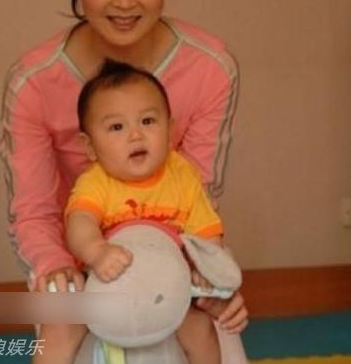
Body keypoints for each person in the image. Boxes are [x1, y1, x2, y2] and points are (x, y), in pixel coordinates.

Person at [0, 0, 248, 364]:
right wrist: (59, 268)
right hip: (76, 259)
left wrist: (210, 278)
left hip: (172, 252)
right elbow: (32, 212)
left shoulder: (211, 68)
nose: (124, 0)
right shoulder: (32, 82)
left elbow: (197, 194)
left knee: (217, 342)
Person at [64, 58, 238, 364]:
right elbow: (79, 222)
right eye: (117, 127)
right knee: (60, 326)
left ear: (170, 130)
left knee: (201, 329)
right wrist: (97, 251)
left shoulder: (182, 176)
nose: (136, 135)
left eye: (147, 121)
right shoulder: (96, 181)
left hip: (167, 287)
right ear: (89, 146)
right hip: (107, 283)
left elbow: (207, 231)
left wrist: (205, 270)